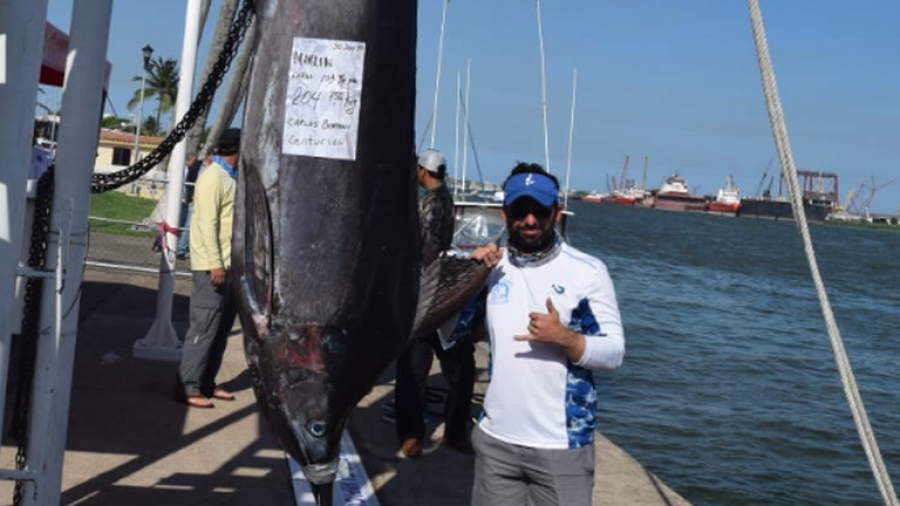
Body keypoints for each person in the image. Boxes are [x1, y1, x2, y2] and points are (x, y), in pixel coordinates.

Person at [468, 162, 626, 505]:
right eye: (521, 210)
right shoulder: (490, 267)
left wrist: (564, 337)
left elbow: (614, 353)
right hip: (496, 442)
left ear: (555, 212)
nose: (530, 220)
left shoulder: (588, 272)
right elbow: (453, 333)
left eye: (539, 210)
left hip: (562, 449)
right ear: (504, 212)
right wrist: (469, 276)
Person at [394, 148, 477, 458]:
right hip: (441, 294)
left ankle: (413, 434)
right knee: (459, 368)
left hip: (425, 296)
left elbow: (425, 250)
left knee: (415, 368)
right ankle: (452, 432)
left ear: (422, 172)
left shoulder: (430, 203)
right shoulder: (447, 197)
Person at [177, 128, 242, 409]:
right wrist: (215, 261)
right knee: (203, 328)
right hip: (212, 267)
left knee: (220, 329)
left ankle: (206, 382)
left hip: (230, 266)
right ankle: (188, 385)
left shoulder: (231, 177)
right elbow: (206, 222)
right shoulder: (213, 177)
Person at [176, 150, 209, 259]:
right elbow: (189, 180)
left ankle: (199, 249)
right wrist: (191, 195)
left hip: (208, 200)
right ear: (208, 155)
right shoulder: (197, 165)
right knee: (188, 224)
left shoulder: (216, 168)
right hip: (195, 200)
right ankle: (181, 249)